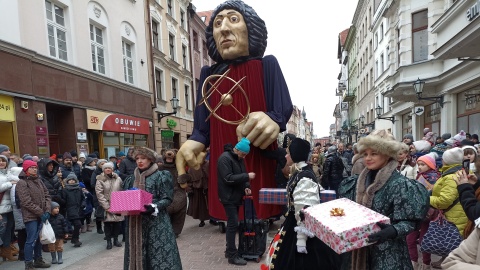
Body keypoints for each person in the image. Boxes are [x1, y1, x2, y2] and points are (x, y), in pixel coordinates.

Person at [176, 0, 293, 223]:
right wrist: (195, 141)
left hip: (257, 151)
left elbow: (281, 108)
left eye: (233, 19)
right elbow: (202, 126)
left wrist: (272, 119)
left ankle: (263, 215)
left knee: (256, 190)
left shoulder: (267, 65)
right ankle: (228, 219)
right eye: (217, 23)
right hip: (223, 155)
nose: (224, 29)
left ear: (251, 28)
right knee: (228, 189)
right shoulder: (209, 74)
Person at [338, 129, 429, 270]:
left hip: (387, 253)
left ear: (387, 154)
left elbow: (410, 221)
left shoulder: (400, 185)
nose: (367, 158)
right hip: (356, 251)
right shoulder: (355, 182)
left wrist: (393, 230)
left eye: (374, 153)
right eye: (366, 154)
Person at [265, 138, 340, 270]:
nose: (286, 155)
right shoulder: (302, 172)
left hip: (299, 229)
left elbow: (305, 210)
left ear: (295, 154)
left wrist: (301, 239)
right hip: (293, 222)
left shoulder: (304, 177)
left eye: (288, 153)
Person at [122, 147, 182, 270]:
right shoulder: (130, 179)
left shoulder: (161, 176)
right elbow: (126, 198)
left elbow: (167, 198)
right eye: (137, 158)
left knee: (158, 255)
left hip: (156, 222)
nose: (140, 161)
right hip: (135, 223)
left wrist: (154, 206)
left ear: (150, 160)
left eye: (143, 158)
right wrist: (121, 209)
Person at [217, 137, 254, 265]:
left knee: (233, 224)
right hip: (228, 197)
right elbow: (228, 178)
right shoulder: (224, 158)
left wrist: (246, 187)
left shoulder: (238, 158)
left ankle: (229, 251)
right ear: (237, 149)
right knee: (233, 225)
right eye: (243, 154)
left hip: (235, 196)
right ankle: (232, 256)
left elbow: (242, 174)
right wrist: (247, 176)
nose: (244, 157)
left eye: (245, 155)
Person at [429, 147, 468, 268]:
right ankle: (445, 261)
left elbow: (444, 201)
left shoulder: (451, 176)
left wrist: (426, 198)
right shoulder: (454, 172)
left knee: (454, 242)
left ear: (446, 161)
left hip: (455, 215)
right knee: (452, 241)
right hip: (455, 213)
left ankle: (451, 265)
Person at [16, 160, 52, 269]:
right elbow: (26, 202)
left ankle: (38, 259)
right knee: (31, 240)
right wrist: (40, 212)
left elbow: (47, 196)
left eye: (35, 167)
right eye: (31, 168)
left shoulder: (39, 180)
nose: (34, 169)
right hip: (30, 216)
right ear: (26, 169)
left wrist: (47, 210)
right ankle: (28, 263)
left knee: (39, 239)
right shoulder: (22, 183)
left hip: (41, 214)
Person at [407, 153, 440, 269]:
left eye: (423, 164)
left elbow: (429, 194)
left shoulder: (433, 178)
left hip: (426, 212)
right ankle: (415, 262)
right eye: (419, 164)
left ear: (430, 165)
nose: (420, 166)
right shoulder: (420, 175)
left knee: (422, 239)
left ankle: (425, 263)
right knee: (412, 238)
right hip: (418, 211)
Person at [95, 162, 124, 249]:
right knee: (107, 224)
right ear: (103, 170)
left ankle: (115, 240)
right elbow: (99, 194)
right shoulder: (100, 179)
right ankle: (108, 241)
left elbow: (122, 189)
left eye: (109, 168)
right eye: (106, 168)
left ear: (112, 169)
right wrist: (106, 206)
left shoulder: (118, 178)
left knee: (117, 224)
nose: (108, 170)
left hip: (117, 203)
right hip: (106, 204)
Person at [159, 149, 187, 237]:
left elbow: (189, 177)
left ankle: (176, 231)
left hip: (178, 192)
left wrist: (184, 178)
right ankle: (167, 230)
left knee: (180, 213)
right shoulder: (160, 168)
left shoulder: (180, 167)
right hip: (165, 193)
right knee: (165, 213)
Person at [0, 155, 17, 261]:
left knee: (8, 230)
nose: (1, 162)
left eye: (3, 161)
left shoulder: (8, 173)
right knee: (2, 230)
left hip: (10, 207)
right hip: (1, 208)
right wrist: (9, 184)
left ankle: (6, 252)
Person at [60, 173, 84, 248]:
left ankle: (75, 238)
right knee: (77, 224)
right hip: (70, 209)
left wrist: (83, 204)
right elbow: (63, 201)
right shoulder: (65, 190)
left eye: (73, 180)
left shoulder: (79, 189)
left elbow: (83, 198)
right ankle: (75, 239)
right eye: (70, 180)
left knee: (78, 224)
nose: (71, 181)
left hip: (79, 209)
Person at [186, 159, 210, 227]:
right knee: (200, 207)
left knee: (210, 205)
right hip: (197, 188)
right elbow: (189, 179)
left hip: (208, 187)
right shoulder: (192, 167)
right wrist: (189, 189)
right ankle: (201, 220)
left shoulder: (207, 164)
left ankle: (213, 219)